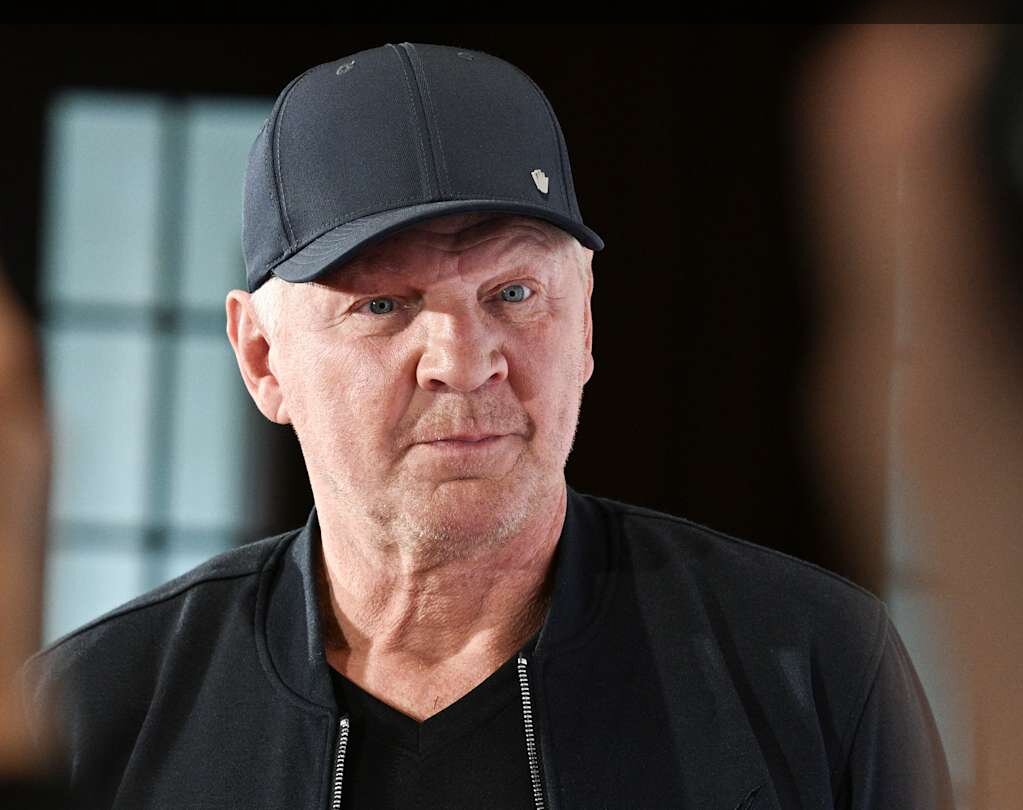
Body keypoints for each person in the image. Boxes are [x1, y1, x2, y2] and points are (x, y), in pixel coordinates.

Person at [18, 42, 952, 809]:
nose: (464, 361)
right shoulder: (98, 713)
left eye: (513, 293)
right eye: (383, 305)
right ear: (263, 358)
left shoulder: (810, 666)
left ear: (584, 327)